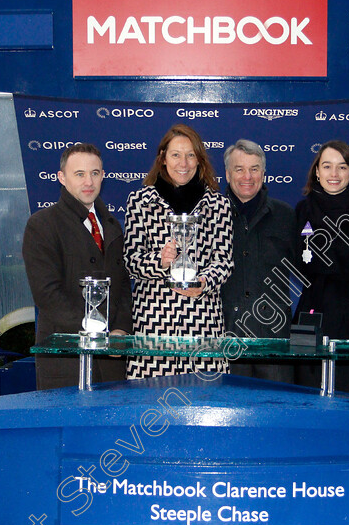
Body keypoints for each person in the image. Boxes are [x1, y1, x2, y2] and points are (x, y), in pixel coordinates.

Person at [124, 123, 233, 379]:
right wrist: (159, 261)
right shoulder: (140, 202)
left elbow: (224, 261)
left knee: (205, 404)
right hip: (153, 321)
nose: (183, 163)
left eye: (190, 155)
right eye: (175, 155)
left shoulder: (218, 205)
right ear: (162, 158)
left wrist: (205, 282)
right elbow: (131, 260)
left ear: (200, 159)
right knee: (151, 401)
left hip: (203, 319)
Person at [22, 143, 133, 389]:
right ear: (62, 178)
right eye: (79, 174)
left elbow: (124, 285)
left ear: (103, 175)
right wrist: (94, 332)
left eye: (94, 173)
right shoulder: (41, 225)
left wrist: (121, 330)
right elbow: (47, 294)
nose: (88, 182)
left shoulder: (113, 226)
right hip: (66, 359)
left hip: (112, 363)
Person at [294, 140, 349, 395]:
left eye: (342, 167)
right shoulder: (302, 210)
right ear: (316, 172)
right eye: (327, 166)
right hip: (311, 310)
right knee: (306, 392)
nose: (334, 174)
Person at [221, 139, 298, 383]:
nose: (247, 176)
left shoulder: (286, 215)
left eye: (254, 169)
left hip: (274, 340)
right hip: (225, 338)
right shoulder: (209, 216)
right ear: (227, 173)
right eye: (239, 169)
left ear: (264, 174)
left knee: (276, 412)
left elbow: (307, 269)